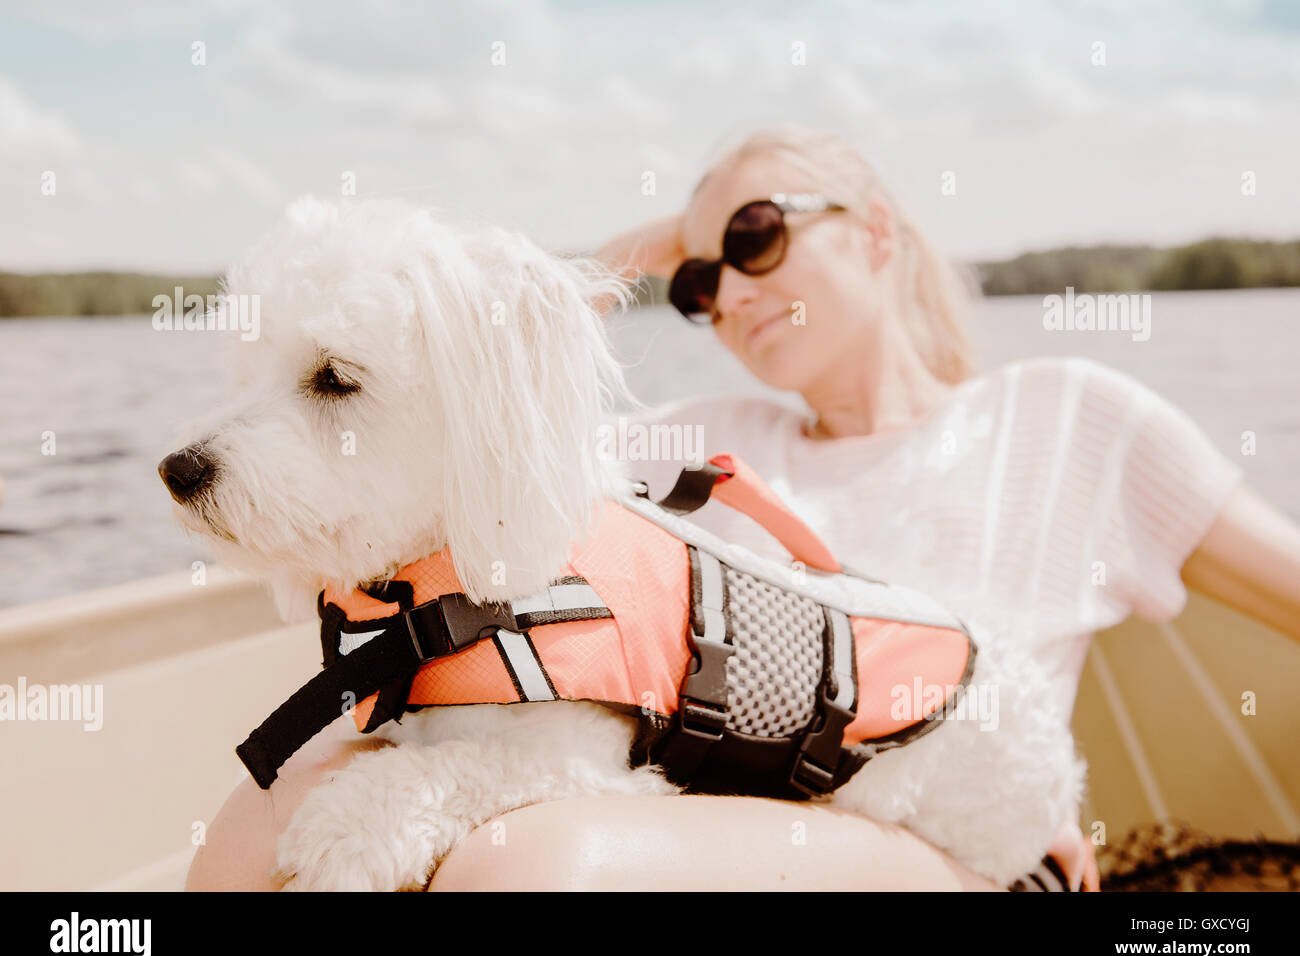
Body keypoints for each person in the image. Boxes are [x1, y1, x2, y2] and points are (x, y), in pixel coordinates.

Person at [186, 125, 1300, 892]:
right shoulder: (694, 437)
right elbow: (482, 362)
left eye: (759, 235)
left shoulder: (1073, 413)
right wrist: (674, 241)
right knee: (261, 811)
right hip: (714, 807)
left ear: (876, 229)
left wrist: (698, 236)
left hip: (950, 844)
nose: (729, 291)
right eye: (699, 279)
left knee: (525, 866)